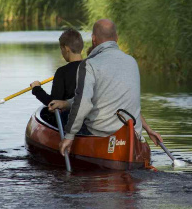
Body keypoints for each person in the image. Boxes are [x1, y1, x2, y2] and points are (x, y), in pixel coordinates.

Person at [48, 19, 162, 156]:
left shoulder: (89, 65)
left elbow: (83, 103)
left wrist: (69, 136)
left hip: (103, 135)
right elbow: (129, 103)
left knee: (70, 120)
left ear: (93, 39)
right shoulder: (132, 62)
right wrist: (66, 103)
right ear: (117, 38)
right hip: (133, 135)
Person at [30, 28, 83, 106]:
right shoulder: (91, 67)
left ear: (66, 48)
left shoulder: (62, 72)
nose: (62, 53)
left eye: (61, 49)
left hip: (69, 116)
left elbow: (53, 104)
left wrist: (36, 89)